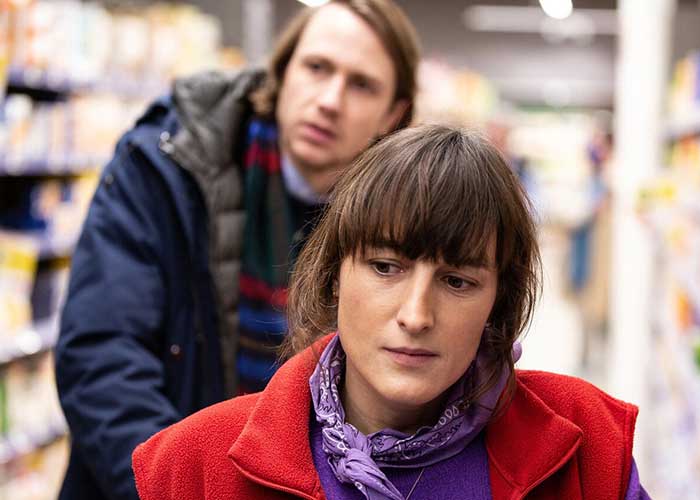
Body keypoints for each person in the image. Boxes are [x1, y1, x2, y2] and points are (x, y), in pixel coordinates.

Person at [131, 125, 650, 500]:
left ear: (497, 303)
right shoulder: (193, 468)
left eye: (457, 281)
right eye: (385, 267)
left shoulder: (588, 449)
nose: (416, 315)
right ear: (335, 275)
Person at [54, 2, 421, 499]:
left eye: (362, 85)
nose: (330, 100)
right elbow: (102, 357)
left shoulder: (401, 227)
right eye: (316, 67)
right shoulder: (168, 166)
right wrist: (178, 487)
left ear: (393, 113)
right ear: (282, 72)